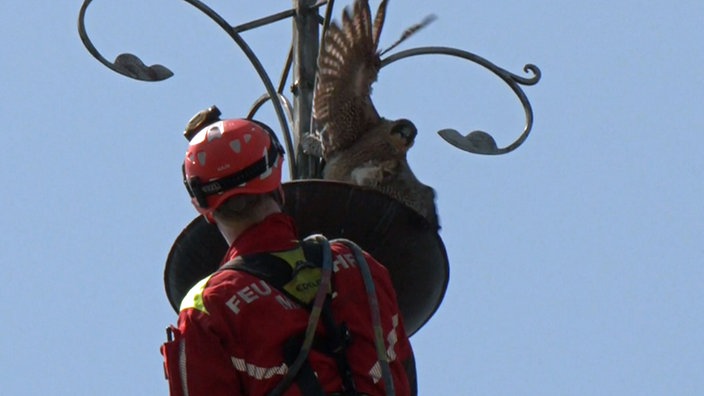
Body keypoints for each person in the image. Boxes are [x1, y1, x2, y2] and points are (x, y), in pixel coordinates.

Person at [161, 107, 416, 396]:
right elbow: (402, 371)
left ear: (204, 209)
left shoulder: (208, 305)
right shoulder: (358, 265)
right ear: (276, 181)